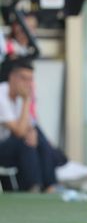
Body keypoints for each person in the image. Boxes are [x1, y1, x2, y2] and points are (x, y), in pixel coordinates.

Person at [0, 58, 57, 192]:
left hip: (13, 146)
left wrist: (32, 132)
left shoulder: (19, 97)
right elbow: (19, 131)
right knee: (24, 140)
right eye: (24, 79)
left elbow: (29, 125)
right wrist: (26, 100)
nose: (27, 84)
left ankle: (49, 186)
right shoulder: (1, 95)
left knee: (37, 136)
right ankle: (35, 186)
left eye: (30, 79)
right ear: (12, 77)